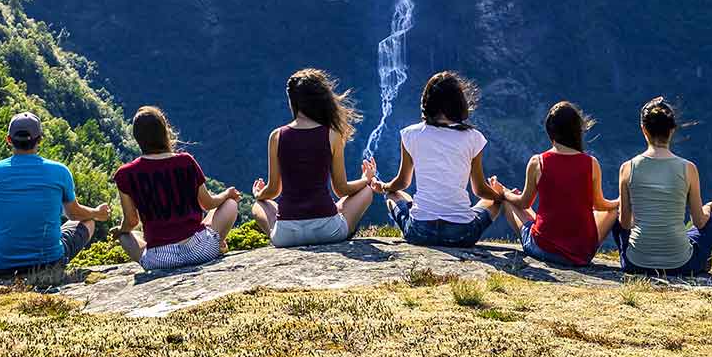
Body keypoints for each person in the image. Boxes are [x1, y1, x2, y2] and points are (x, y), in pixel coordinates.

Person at [0, 112, 110, 276]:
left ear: (9, 140)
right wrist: (97, 213)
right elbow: (74, 213)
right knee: (87, 220)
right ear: (40, 140)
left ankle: (4, 252)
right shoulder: (60, 171)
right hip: (50, 263)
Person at [372, 71, 503, 248]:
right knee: (492, 202)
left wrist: (384, 187)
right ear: (459, 102)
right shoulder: (474, 137)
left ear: (426, 102)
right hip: (461, 234)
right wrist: (500, 195)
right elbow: (479, 190)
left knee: (394, 195)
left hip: (420, 231)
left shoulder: (410, 135)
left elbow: (402, 182)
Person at [251, 69, 377, 248]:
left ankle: (275, 233)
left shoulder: (276, 136)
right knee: (366, 191)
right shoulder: (332, 134)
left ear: (292, 101)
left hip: (287, 234)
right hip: (328, 231)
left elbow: (273, 190)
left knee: (258, 205)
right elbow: (341, 189)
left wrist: (258, 194)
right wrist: (366, 179)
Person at [615, 97, 712, 275]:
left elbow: (625, 223)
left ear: (643, 130)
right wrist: (709, 208)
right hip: (682, 263)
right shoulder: (688, 168)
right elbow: (699, 222)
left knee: (615, 214)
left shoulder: (627, 168)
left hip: (636, 263)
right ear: (672, 130)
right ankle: (702, 260)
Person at [114, 106, 240, 271]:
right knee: (230, 204)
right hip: (199, 250)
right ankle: (217, 244)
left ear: (137, 138)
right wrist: (226, 194)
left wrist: (120, 231)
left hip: (160, 259)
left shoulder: (125, 174)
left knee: (126, 236)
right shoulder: (185, 161)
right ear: (165, 132)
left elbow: (131, 221)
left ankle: (212, 245)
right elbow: (207, 204)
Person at [498, 101, 619, 267]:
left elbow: (524, 203)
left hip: (545, 249)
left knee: (508, 202)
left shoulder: (538, 162)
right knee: (612, 211)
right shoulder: (592, 163)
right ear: (578, 131)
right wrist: (620, 201)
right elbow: (600, 205)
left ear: (550, 131)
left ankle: (513, 206)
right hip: (582, 252)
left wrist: (504, 193)